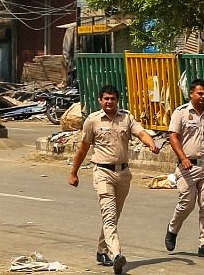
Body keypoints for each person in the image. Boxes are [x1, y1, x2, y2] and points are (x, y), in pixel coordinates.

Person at [69, 84, 160, 274]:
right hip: (102, 173)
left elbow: (141, 133)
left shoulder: (126, 117)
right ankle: (116, 254)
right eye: (106, 99)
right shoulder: (92, 121)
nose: (109, 102)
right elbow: (83, 148)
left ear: (117, 100)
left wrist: (151, 143)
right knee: (109, 215)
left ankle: (102, 250)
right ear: (100, 100)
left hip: (123, 174)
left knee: (113, 215)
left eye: (112, 99)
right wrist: (74, 172)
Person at [163, 78, 204, 259]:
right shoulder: (180, 113)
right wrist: (183, 158)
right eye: (200, 93)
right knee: (186, 203)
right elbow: (173, 137)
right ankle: (173, 228)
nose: (203, 97)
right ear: (191, 94)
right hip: (188, 167)